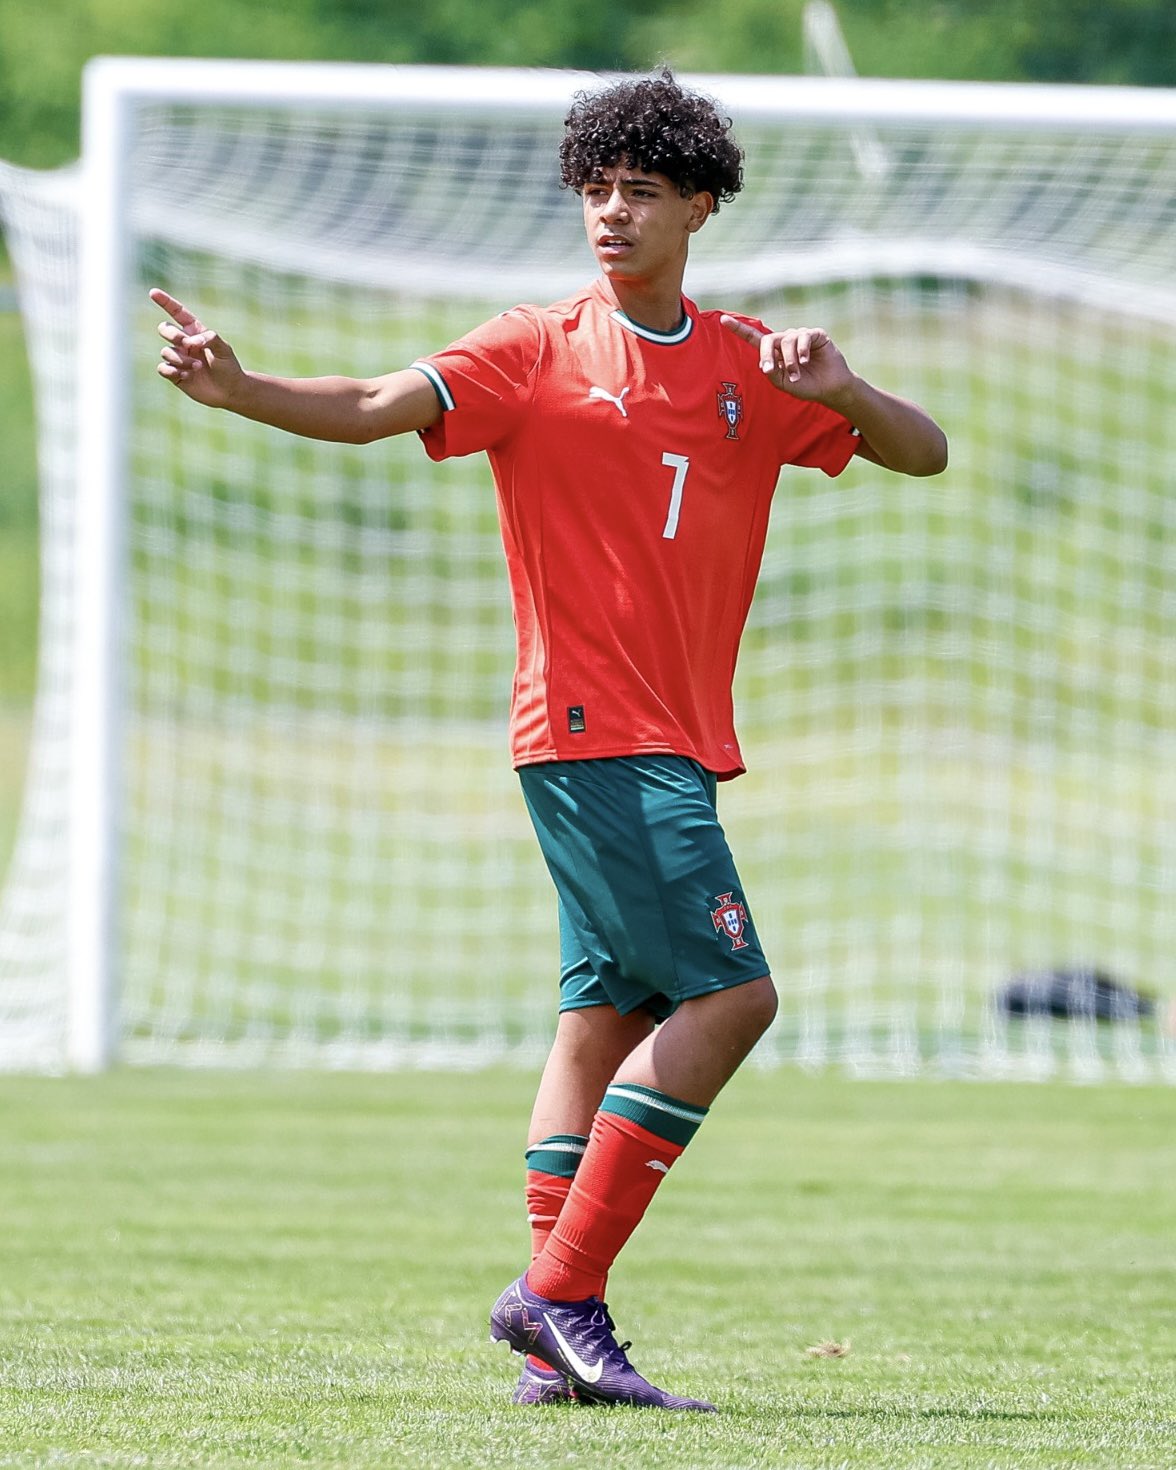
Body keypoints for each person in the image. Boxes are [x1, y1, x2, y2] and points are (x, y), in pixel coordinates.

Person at [152, 69, 947, 1413]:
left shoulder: (754, 362)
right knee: (733, 998)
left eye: (639, 190)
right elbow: (366, 402)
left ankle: (551, 1333)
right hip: (593, 730)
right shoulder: (536, 348)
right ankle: (561, 1293)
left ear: (700, 204)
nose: (611, 212)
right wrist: (241, 390)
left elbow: (922, 453)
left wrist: (853, 388)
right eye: (594, 189)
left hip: (670, 740)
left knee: (605, 1019)